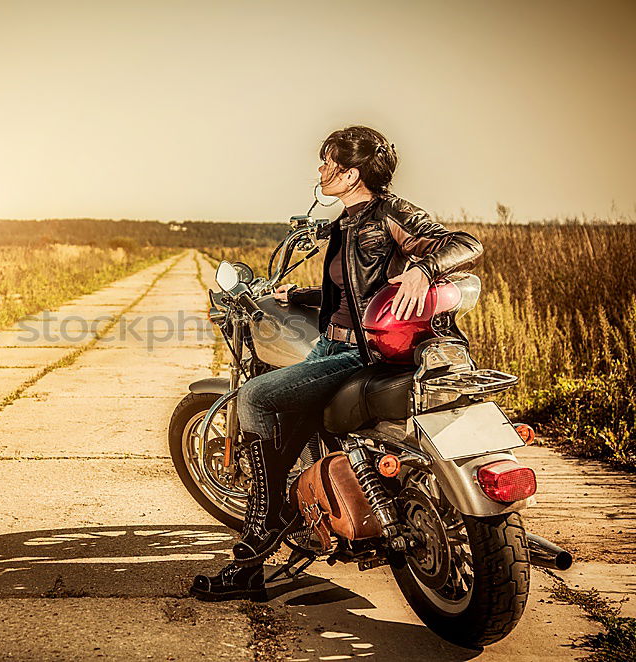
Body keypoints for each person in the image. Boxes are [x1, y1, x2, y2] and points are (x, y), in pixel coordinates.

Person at [189, 125, 484, 601]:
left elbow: (464, 242)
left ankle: (268, 519)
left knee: (256, 397)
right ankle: (292, 512)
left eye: (328, 163)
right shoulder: (347, 222)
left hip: (357, 352)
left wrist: (423, 269)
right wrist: (301, 294)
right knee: (299, 423)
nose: (320, 170)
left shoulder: (389, 211)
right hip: (335, 342)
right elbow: (355, 286)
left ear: (351, 174)